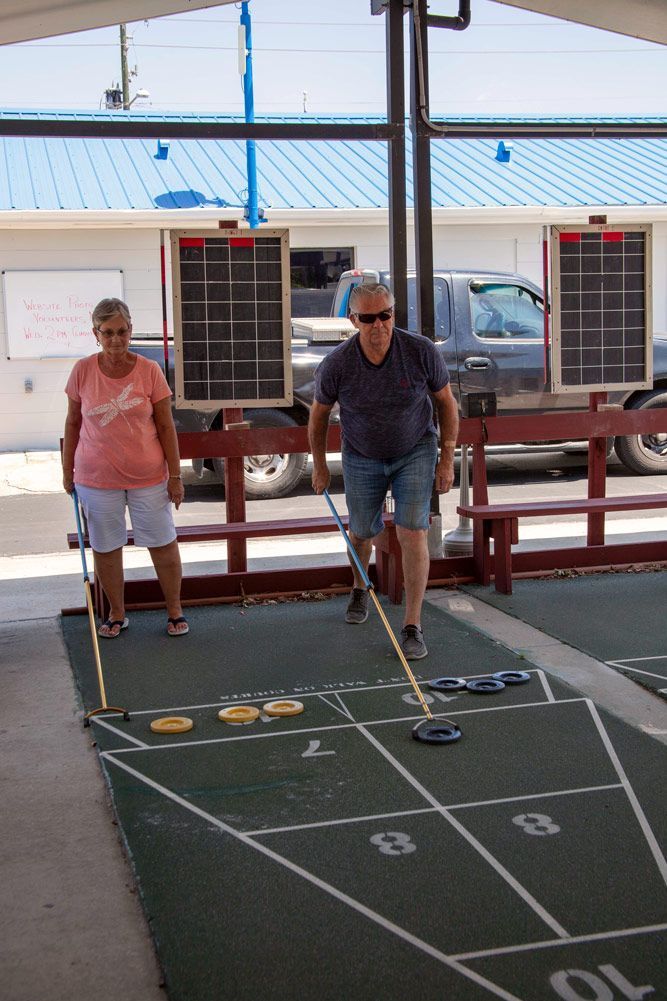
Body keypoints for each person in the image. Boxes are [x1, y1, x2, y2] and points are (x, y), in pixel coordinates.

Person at [308, 282, 459, 660]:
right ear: (353, 320)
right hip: (361, 453)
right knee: (361, 530)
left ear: (394, 313)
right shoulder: (338, 364)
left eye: (385, 315)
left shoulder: (420, 351)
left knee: (413, 531)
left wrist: (446, 458)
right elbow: (319, 416)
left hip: (415, 448)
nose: (378, 325)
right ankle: (360, 585)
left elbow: (446, 404)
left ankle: (412, 625)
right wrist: (320, 466)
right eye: (368, 318)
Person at [62, 297, 189, 638]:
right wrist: (66, 472)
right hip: (96, 478)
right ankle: (117, 613)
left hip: (148, 476)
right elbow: (73, 423)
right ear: (96, 334)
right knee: (105, 546)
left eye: (121, 331)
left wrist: (175, 476)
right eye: (108, 332)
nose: (115, 339)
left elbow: (166, 427)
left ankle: (174, 609)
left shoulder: (149, 370)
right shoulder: (82, 370)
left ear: (130, 331)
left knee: (163, 542)